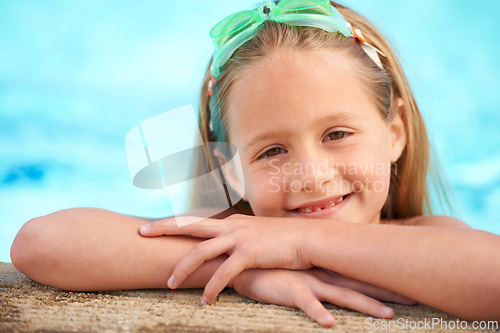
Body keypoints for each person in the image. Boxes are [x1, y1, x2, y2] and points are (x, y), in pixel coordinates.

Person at [10, 0, 500, 327]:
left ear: (394, 135)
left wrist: (303, 239)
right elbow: (40, 243)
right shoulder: (234, 238)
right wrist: (240, 270)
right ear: (228, 168)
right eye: (272, 151)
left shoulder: (427, 236)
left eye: (337, 134)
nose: (310, 175)